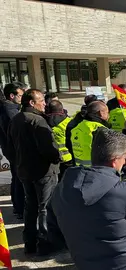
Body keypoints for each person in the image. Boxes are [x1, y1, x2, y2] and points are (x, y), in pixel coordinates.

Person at [50, 129, 126, 270]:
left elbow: (54, 228)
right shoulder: (124, 192)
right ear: (115, 160)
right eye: (125, 158)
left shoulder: (62, 188)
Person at [6, 89, 61, 255]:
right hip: (43, 173)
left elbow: (9, 147)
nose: (45, 103)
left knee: (31, 207)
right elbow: (49, 150)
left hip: (24, 171)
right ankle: (44, 245)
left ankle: (29, 243)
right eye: (41, 100)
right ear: (31, 102)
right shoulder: (37, 121)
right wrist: (58, 157)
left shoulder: (16, 119)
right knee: (45, 208)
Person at [0, 82, 25, 219]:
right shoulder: (11, 111)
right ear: (11, 96)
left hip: (9, 149)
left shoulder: (8, 108)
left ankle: (17, 206)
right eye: (20, 95)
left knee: (16, 177)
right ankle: (20, 208)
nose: (22, 98)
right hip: (14, 150)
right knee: (20, 178)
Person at [69, 101, 111, 167]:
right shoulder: (99, 129)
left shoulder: (77, 127)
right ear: (100, 113)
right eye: (107, 112)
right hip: (96, 171)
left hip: (80, 169)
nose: (109, 115)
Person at [45, 100, 73, 181]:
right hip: (68, 158)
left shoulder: (43, 122)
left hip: (53, 159)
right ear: (62, 110)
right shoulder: (69, 122)